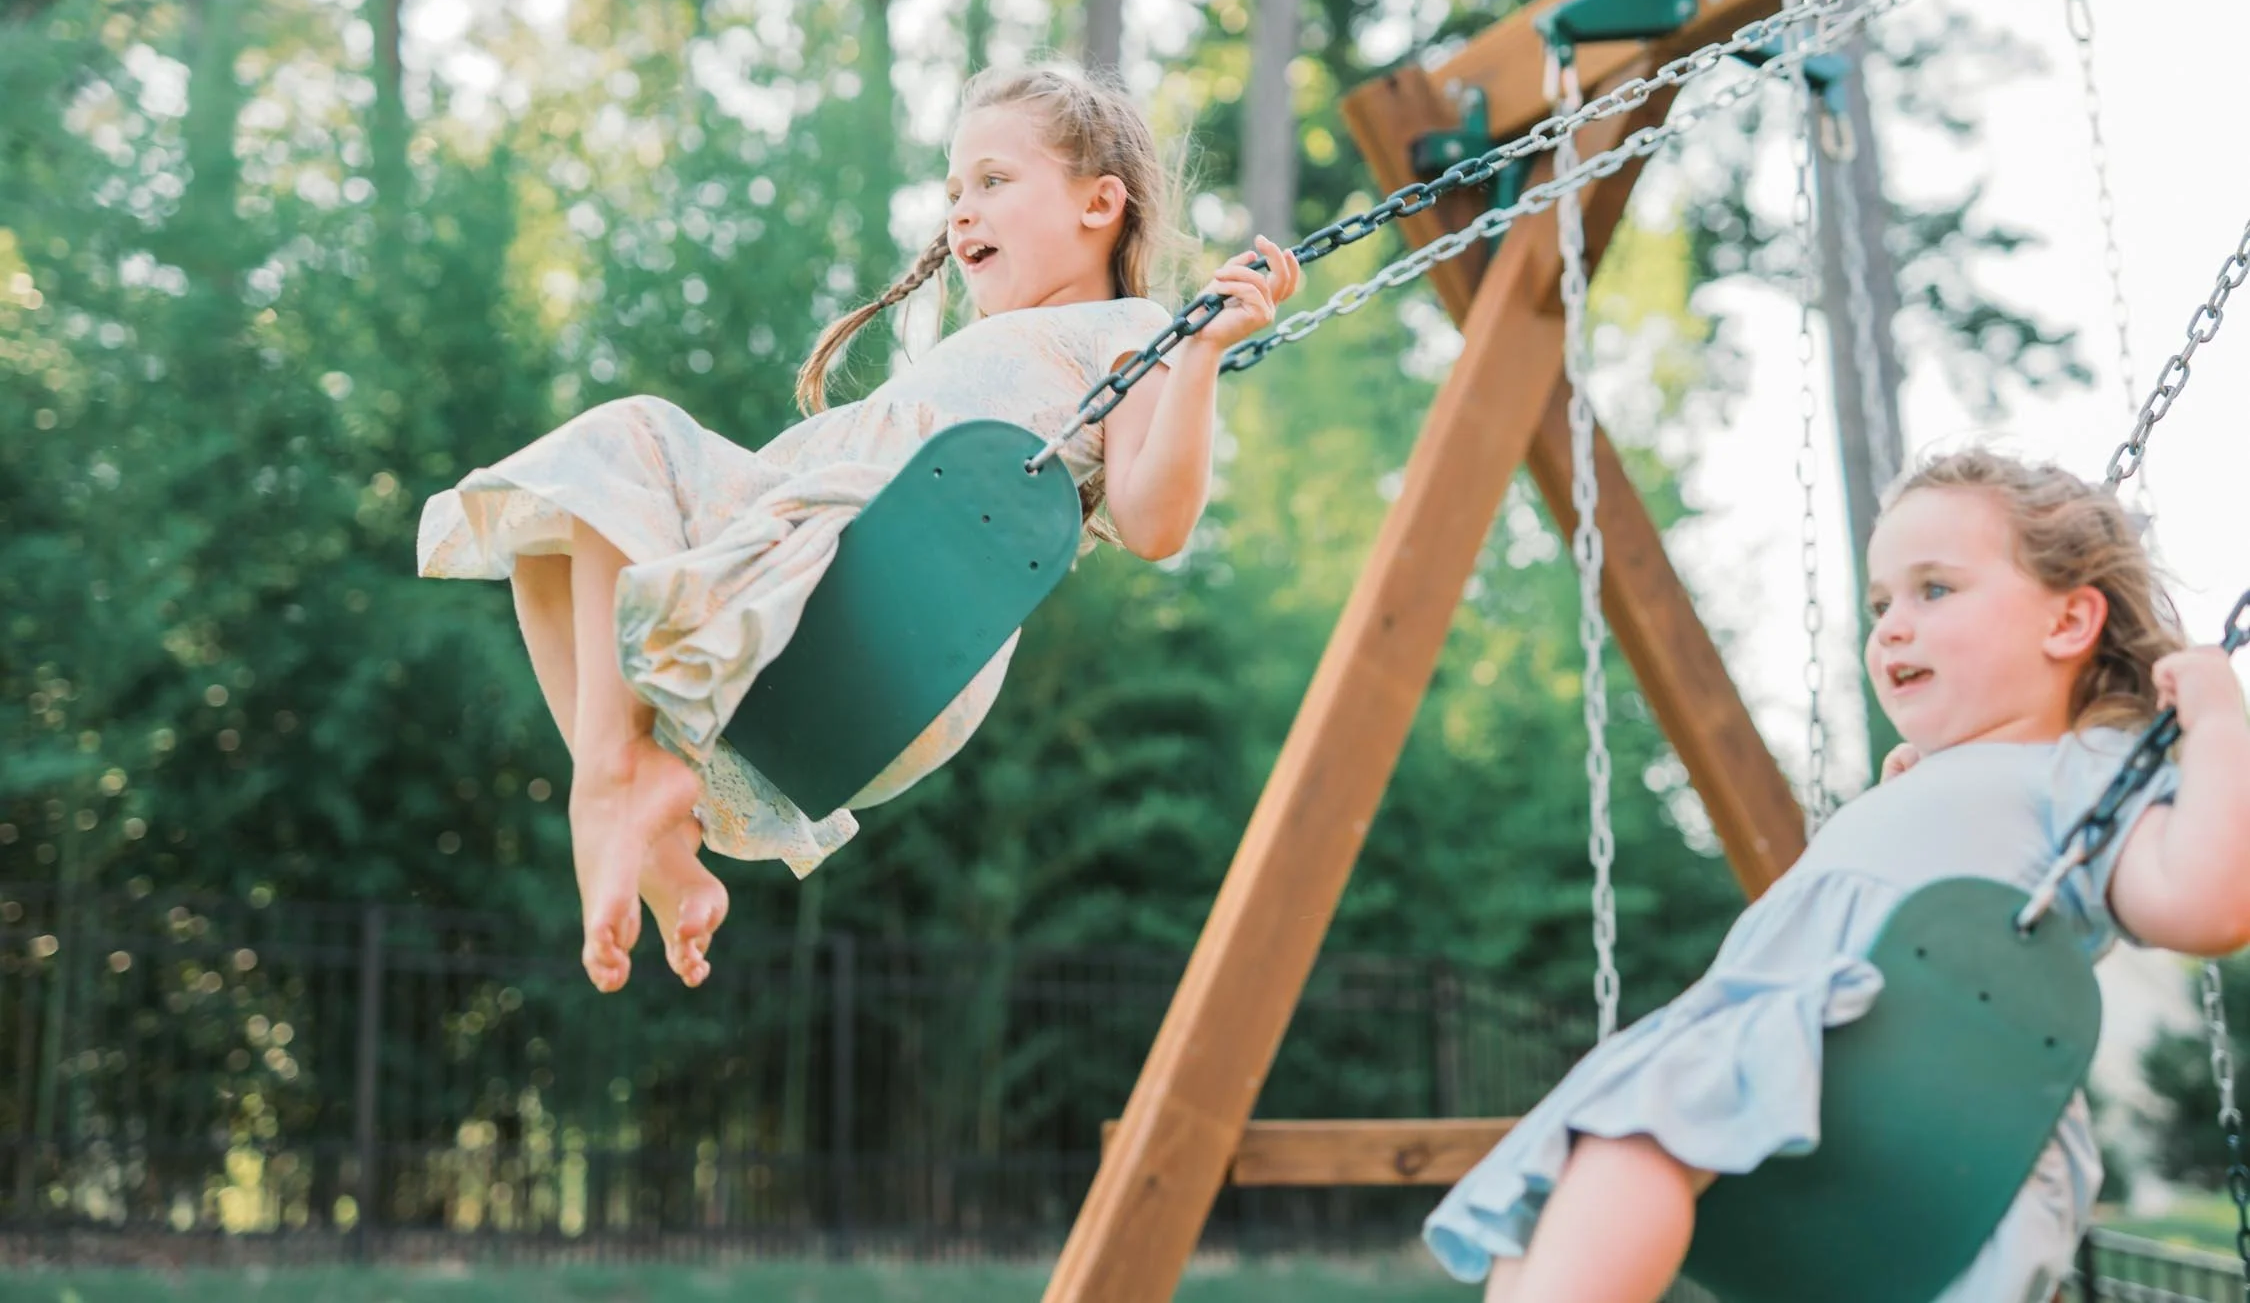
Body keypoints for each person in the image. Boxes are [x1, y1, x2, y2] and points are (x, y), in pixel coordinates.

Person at [417, 64, 1303, 993]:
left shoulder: (1128, 327)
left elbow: (1156, 522)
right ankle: (654, 835)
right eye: (954, 190)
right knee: (556, 535)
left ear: (1100, 204)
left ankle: (611, 789)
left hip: (887, 598)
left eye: (994, 182)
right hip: (810, 576)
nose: (962, 212)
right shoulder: (979, 347)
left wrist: (1199, 353)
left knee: (625, 436)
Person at [1425, 448, 2250, 1303]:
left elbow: (2210, 907)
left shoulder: (2088, 769)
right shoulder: (1932, 777)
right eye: (1882, 602)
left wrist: (2221, 725)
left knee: (1630, 1129)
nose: (1891, 625)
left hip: (1941, 1102)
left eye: (1934, 590)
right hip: (1801, 1082)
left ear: (2069, 624)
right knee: (1563, 1179)